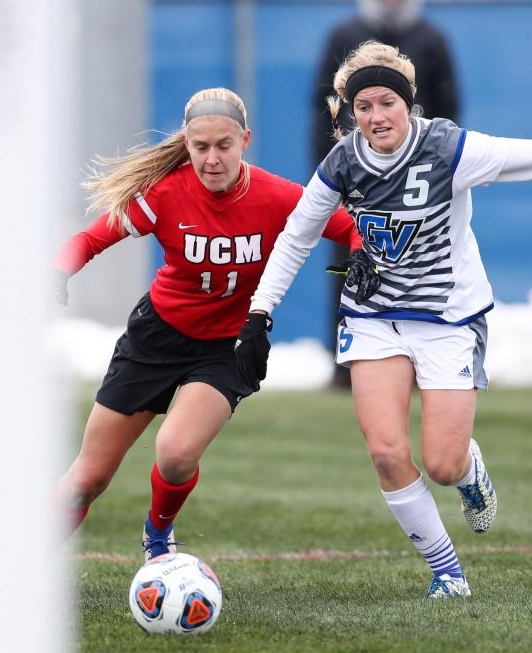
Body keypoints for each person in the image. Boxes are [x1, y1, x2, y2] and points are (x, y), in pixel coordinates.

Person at [235, 41, 532, 598]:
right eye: (363, 107)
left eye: (386, 102)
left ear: (407, 103)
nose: (376, 116)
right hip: (373, 316)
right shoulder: (341, 163)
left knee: (442, 462)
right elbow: (295, 238)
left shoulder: (449, 149)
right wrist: (258, 315)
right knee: (386, 451)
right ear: (350, 113)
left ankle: (467, 468)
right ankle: (447, 573)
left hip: (448, 319)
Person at [50, 88, 363, 559]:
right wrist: (57, 270)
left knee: (175, 455)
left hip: (226, 349)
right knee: (86, 479)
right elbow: (90, 239)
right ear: (187, 143)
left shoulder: (280, 198)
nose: (212, 159)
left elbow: (350, 226)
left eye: (224, 145)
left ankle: (158, 534)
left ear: (245, 141)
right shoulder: (166, 194)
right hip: (155, 339)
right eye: (200, 147)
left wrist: (364, 262)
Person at [313, 0, 460, 389]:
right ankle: (346, 359)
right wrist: (328, 177)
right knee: (351, 261)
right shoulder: (344, 35)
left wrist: (442, 174)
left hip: (416, 183)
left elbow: (449, 111)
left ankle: (417, 358)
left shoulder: (431, 40)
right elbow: (322, 112)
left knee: (416, 264)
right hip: (358, 180)